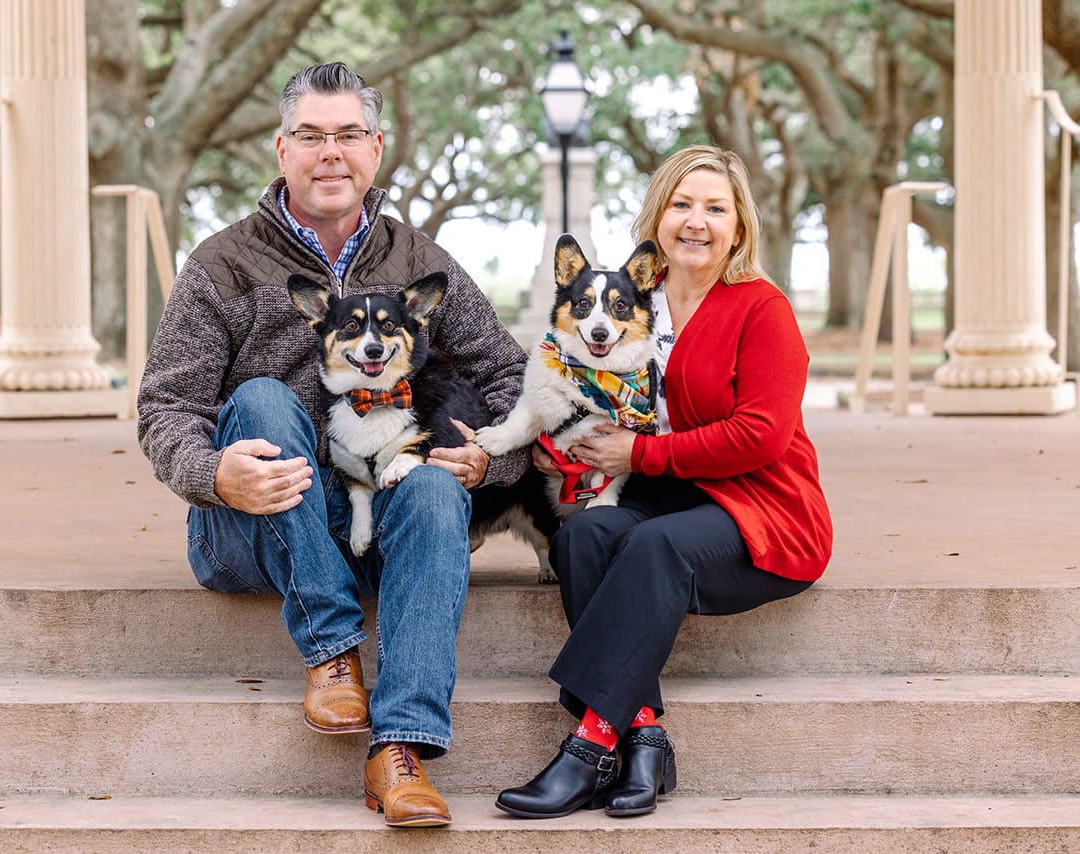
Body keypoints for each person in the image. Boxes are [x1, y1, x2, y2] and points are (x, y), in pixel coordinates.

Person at [136, 62, 529, 828]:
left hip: (377, 526)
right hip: (250, 528)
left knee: (435, 484)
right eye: (311, 136)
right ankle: (330, 652)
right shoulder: (221, 265)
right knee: (262, 401)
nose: (330, 153)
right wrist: (212, 472)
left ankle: (401, 748)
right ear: (281, 150)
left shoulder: (424, 265)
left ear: (376, 149)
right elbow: (165, 406)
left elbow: (508, 374)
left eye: (348, 135)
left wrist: (493, 457)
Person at [495, 144, 833, 820]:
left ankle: (591, 746)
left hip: (763, 512)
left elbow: (761, 435)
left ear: (740, 224)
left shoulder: (761, 309)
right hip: (670, 498)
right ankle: (644, 733)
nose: (696, 221)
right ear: (658, 215)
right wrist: (553, 445)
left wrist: (641, 457)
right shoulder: (626, 301)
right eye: (682, 204)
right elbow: (567, 374)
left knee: (653, 547)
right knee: (584, 538)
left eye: (715, 207)